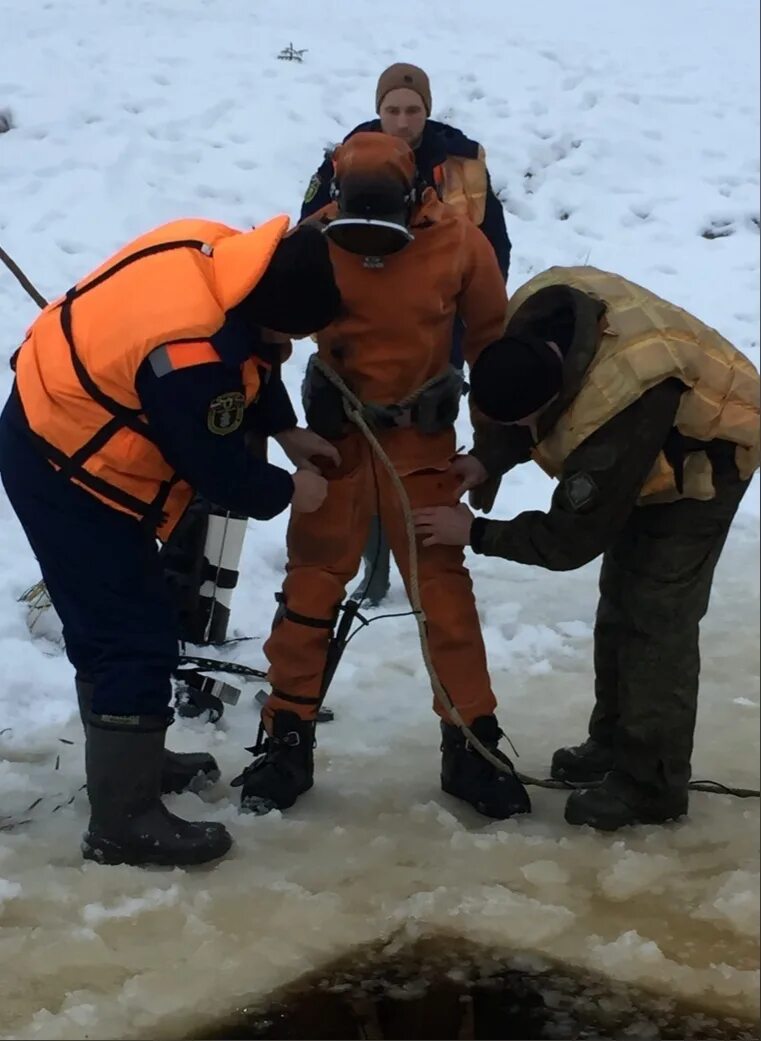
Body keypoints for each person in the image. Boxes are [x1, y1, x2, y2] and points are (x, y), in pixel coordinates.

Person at [0, 215, 342, 867]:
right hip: (66, 464)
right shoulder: (190, 352)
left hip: (60, 418)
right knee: (128, 633)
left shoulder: (222, 255)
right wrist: (290, 489)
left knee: (122, 620)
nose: (287, 345)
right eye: (288, 332)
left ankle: (132, 761)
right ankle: (122, 820)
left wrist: (285, 428)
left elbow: (253, 355)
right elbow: (215, 467)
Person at [231, 132, 531, 823]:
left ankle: (471, 743)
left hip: (419, 448)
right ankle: (287, 737)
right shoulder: (311, 239)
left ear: (413, 196)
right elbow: (265, 336)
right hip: (337, 446)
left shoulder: (458, 243)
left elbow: (492, 350)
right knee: (309, 589)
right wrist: (284, 424)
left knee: (443, 594)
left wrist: (488, 453)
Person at [413, 265, 760, 831]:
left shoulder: (617, 409)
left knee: (654, 615)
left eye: (526, 422)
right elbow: (518, 412)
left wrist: (474, 534)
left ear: (553, 396)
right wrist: (486, 457)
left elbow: (570, 539)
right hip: (653, 417)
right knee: (619, 601)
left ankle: (652, 785)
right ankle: (614, 744)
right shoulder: (532, 314)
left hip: (710, 448)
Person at [301, 62, 512, 607]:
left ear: (427, 110)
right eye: (392, 110)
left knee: (420, 446)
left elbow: (493, 240)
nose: (401, 121)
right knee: (356, 449)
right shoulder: (346, 159)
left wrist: (471, 307)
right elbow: (311, 232)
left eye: (412, 110)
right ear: (379, 110)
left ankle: (422, 554)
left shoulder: (463, 162)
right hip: (358, 331)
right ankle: (372, 563)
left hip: (439, 323)